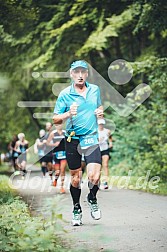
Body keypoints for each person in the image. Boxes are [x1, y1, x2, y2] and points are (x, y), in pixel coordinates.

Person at [53, 60, 103, 226]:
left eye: (83, 72)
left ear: (87, 74)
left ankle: (92, 198)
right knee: (76, 178)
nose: (80, 75)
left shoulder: (95, 90)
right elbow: (55, 119)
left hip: (91, 137)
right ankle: (76, 208)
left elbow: (99, 106)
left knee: (95, 176)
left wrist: (99, 112)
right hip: (72, 139)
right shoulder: (65, 94)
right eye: (77, 72)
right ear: (71, 74)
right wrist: (68, 113)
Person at [47, 124, 67, 193]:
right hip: (56, 154)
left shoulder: (65, 132)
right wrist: (54, 145)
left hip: (64, 154)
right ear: (55, 126)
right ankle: (55, 180)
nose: (59, 126)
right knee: (57, 172)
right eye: (57, 125)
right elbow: (47, 143)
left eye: (60, 124)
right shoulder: (53, 133)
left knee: (62, 170)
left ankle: (61, 186)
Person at [98, 118, 113, 189]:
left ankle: (106, 182)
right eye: (100, 124)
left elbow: (110, 137)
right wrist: (98, 140)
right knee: (99, 167)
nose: (101, 126)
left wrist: (110, 143)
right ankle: (98, 182)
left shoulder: (107, 131)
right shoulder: (95, 131)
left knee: (105, 165)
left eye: (102, 124)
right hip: (97, 150)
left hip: (105, 149)